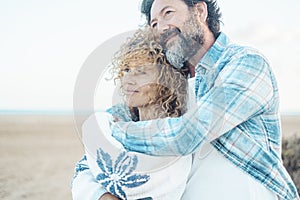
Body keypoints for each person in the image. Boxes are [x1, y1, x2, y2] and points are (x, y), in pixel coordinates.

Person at [73, 0, 300, 199]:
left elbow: (188, 134)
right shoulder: (165, 84)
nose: (161, 27)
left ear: (200, 11)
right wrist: (99, 194)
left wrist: (117, 131)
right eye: (153, 23)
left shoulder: (245, 63)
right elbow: (94, 151)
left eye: (168, 13)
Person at [72, 27, 193, 200]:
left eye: (142, 72)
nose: (128, 79)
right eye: (127, 69)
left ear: (166, 80)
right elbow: (82, 173)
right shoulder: (116, 123)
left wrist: (95, 126)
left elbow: (128, 182)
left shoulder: (176, 137)